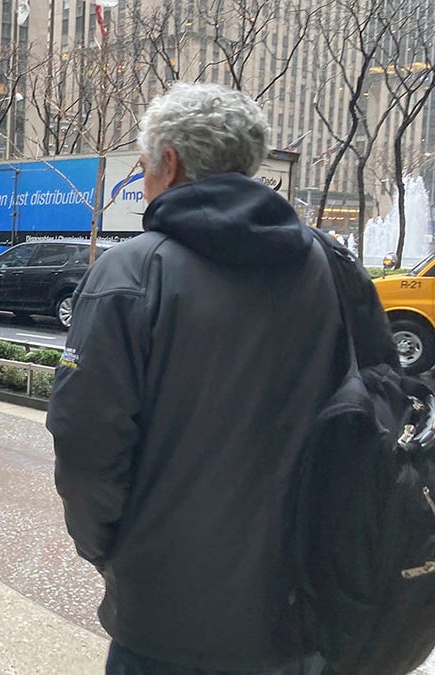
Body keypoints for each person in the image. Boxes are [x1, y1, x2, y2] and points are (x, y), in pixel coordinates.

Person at [46, 83, 369, 674]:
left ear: (169, 163)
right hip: (302, 609)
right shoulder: (332, 268)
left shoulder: (131, 272)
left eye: (144, 166)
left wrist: (112, 551)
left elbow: (86, 441)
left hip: (165, 620)